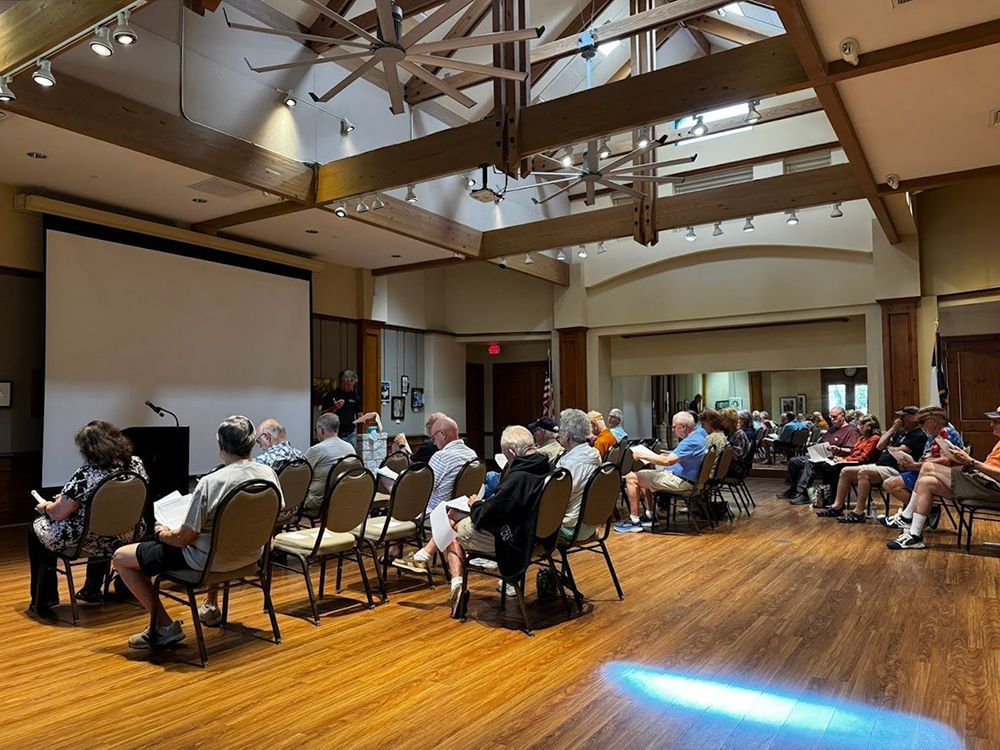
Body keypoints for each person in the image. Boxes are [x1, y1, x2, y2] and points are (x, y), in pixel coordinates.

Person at [112, 416, 282, 649]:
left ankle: (163, 626)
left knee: (121, 558)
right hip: (252, 558)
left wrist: (161, 533)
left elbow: (184, 539)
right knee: (219, 532)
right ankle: (210, 607)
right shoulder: (268, 474)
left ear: (221, 447)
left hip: (206, 562)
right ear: (252, 443)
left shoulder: (211, 482)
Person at [28, 421, 148, 610]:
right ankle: (92, 589)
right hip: (126, 534)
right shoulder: (136, 464)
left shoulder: (86, 474)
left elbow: (59, 513)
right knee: (105, 519)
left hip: (89, 538)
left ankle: (45, 598)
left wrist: (46, 507)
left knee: (36, 530)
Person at [445, 425, 553, 617]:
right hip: (540, 535)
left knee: (452, 525)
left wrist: (476, 504)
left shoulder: (519, 476)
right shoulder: (546, 466)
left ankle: (457, 585)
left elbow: (491, 515)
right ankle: (455, 582)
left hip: (515, 541)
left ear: (511, 452)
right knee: (456, 517)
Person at [887, 405, 1000, 550]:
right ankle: (914, 536)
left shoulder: (947, 432)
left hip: (991, 487)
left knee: (927, 467)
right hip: (983, 482)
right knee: (926, 482)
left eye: (996, 421)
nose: (991, 424)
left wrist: (971, 462)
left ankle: (907, 517)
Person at [391, 416, 477, 589]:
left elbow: (424, 488)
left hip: (434, 511)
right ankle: (451, 578)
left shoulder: (441, 456)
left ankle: (397, 553)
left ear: (443, 434)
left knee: (398, 501)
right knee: (452, 529)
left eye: (433, 437)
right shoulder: (472, 454)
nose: (434, 442)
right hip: (460, 509)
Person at [818, 406, 925, 521]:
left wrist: (892, 447)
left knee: (864, 473)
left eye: (903, 417)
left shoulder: (918, 435)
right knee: (846, 471)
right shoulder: (900, 432)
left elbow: (899, 450)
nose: (900, 419)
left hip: (896, 469)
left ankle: (858, 512)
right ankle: (837, 506)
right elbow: (880, 446)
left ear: (912, 418)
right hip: (881, 466)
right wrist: (893, 429)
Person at [615, 411, 707, 533]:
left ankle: (634, 521)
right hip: (689, 480)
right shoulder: (699, 436)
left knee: (631, 477)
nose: (673, 430)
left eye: (675, 427)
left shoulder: (689, 442)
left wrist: (643, 455)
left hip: (682, 482)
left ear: (683, 427)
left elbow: (667, 461)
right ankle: (650, 515)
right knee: (643, 475)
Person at [878, 406, 963, 531]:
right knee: (889, 483)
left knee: (892, 484)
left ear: (933, 421)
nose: (921, 426)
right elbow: (927, 457)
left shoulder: (947, 432)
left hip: (940, 475)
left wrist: (916, 466)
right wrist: (909, 464)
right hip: (927, 472)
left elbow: (946, 460)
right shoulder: (932, 435)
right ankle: (918, 513)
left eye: (922, 422)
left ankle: (914, 515)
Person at [783, 406, 859, 504]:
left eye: (834, 417)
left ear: (842, 416)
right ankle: (793, 489)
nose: (832, 419)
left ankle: (803, 493)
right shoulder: (832, 429)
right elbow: (822, 442)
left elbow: (851, 450)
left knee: (810, 463)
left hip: (835, 458)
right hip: (822, 455)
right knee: (794, 461)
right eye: (830, 417)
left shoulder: (850, 431)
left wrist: (838, 449)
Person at [802, 416, 881, 508]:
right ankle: (829, 498)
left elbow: (864, 457)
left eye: (860, 425)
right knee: (825, 465)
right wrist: (840, 455)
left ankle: (836, 500)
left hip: (863, 464)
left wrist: (845, 460)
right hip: (854, 460)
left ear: (868, 426)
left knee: (832, 468)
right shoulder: (862, 438)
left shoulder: (874, 438)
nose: (858, 427)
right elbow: (854, 452)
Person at [554, 409, 603, 544]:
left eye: (560, 432)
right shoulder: (594, 455)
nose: (558, 435)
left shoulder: (570, 465)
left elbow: (554, 500)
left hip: (572, 528)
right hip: (590, 524)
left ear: (567, 435)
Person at [303, 412, 357, 512]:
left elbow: (301, 476)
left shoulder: (316, 450)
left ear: (321, 430)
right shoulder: (350, 448)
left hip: (319, 501)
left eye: (316, 430)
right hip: (343, 497)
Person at [321, 369, 361, 441]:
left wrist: (363, 418)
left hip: (351, 434)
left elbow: (359, 413)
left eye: (352, 385)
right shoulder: (331, 395)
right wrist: (334, 408)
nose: (349, 387)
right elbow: (323, 415)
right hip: (334, 434)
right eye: (347, 384)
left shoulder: (355, 397)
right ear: (342, 381)